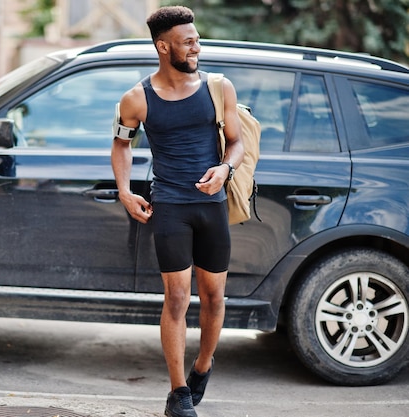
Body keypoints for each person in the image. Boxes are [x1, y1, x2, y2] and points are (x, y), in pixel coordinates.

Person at [110, 6, 244, 417]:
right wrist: (124, 191)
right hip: (169, 206)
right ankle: (179, 392)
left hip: (212, 207)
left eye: (197, 40)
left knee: (214, 296)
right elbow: (121, 145)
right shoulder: (137, 98)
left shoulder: (219, 88)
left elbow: (236, 143)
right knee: (177, 298)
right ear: (162, 46)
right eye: (189, 42)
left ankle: (203, 364)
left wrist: (224, 169)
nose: (197, 48)